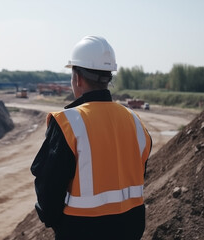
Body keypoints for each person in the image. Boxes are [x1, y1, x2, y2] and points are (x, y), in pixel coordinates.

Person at [30, 36, 152, 240]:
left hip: (81, 231)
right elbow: (139, 171)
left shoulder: (68, 123)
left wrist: (56, 222)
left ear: (77, 78)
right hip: (131, 228)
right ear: (108, 77)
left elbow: (48, 186)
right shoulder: (134, 120)